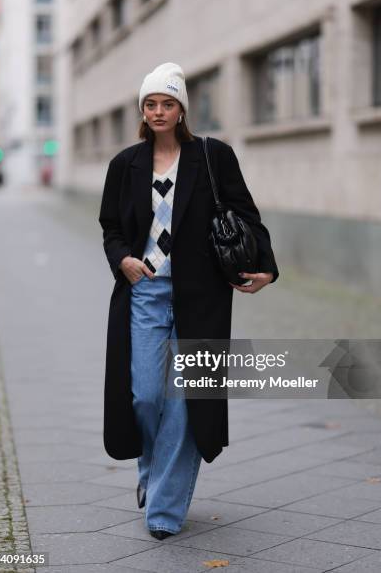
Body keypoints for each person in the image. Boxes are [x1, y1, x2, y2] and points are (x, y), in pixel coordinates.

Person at [98, 62, 279, 540]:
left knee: (184, 399)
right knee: (146, 394)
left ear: (182, 110)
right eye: (151, 104)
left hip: (202, 295)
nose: (159, 111)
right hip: (145, 293)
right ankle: (150, 470)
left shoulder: (212, 157)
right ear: (143, 111)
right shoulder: (125, 165)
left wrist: (267, 268)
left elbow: (246, 214)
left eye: (168, 103)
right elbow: (111, 228)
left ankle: (163, 508)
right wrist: (123, 260)